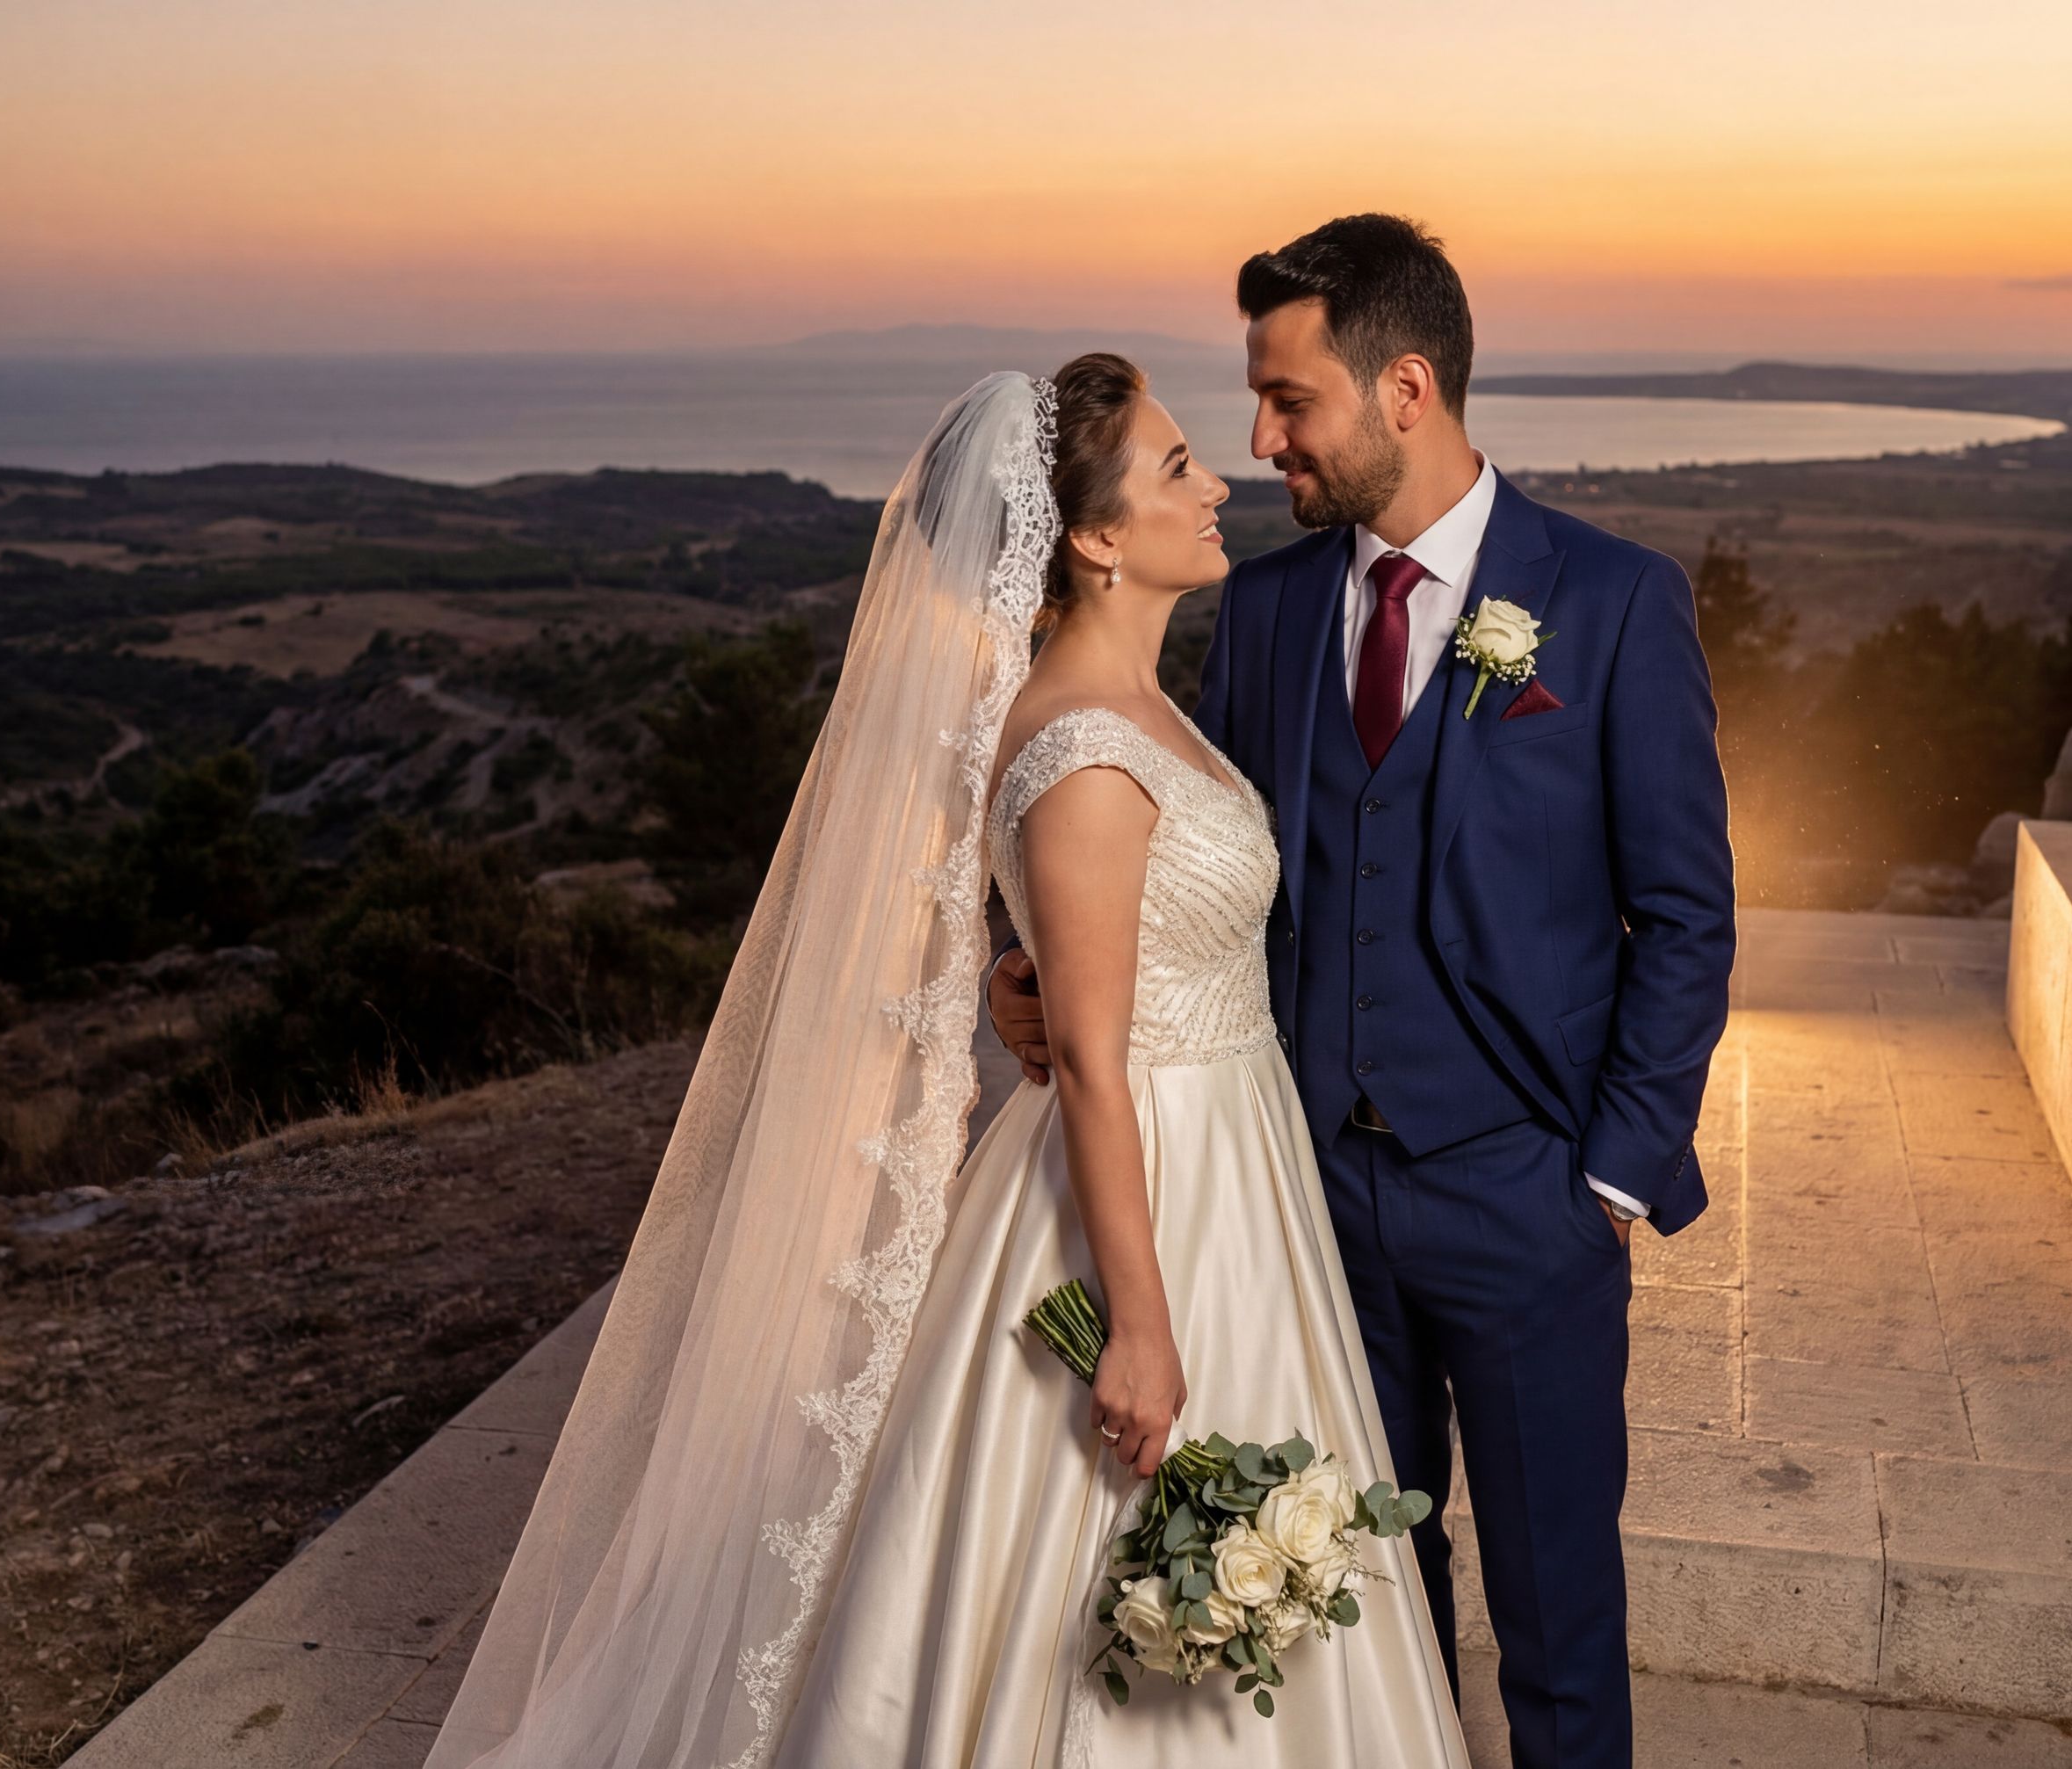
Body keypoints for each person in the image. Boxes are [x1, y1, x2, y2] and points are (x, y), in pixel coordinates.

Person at [424, 354, 1470, 1768]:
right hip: (1149, 1183)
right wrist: (1145, 1327)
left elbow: (1092, 962)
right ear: (1094, 538)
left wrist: (1015, 971)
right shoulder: (1088, 752)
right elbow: (1094, 1062)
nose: (1216, 480)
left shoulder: (1132, 713)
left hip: (1236, 1152)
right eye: (1174, 469)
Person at [991, 215, 1736, 1769]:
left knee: (1558, 1627)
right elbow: (1169, 852)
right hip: (1307, 1212)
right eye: (1252, 407)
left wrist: (1605, 1174)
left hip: (1528, 1205)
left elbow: (1682, 913)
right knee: (1358, 1602)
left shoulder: (1606, 604)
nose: (1263, 442)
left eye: (1290, 402)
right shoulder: (1263, 613)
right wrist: (1035, 975)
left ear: (1406, 389)